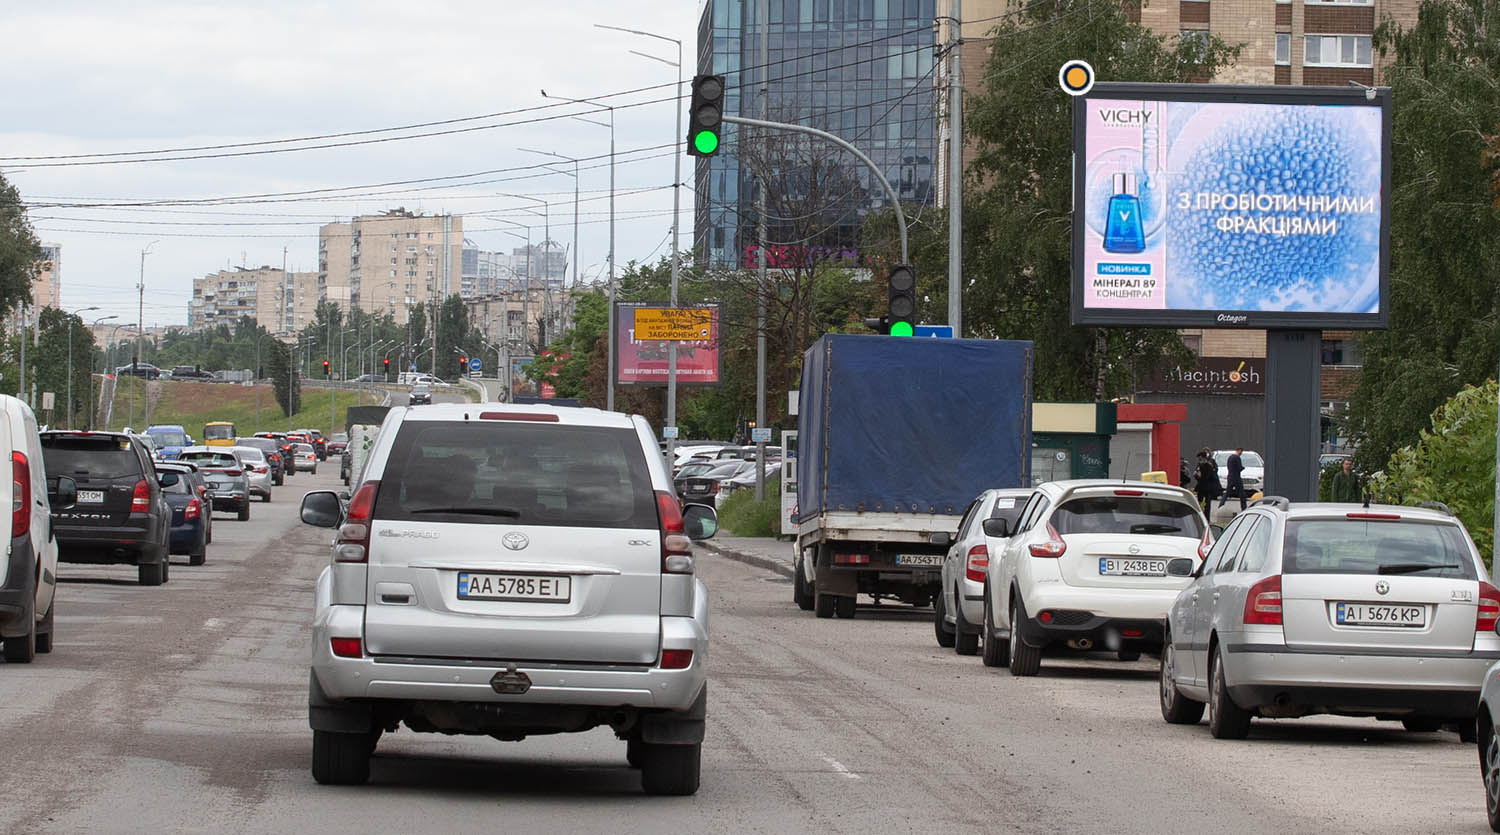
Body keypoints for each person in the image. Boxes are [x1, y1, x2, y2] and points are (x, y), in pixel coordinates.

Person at [1219, 447, 1247, 511]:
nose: (1241, 453)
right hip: (1236, 477)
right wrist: (1243, 468)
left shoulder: (1230, 457)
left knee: (1227, 492)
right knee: (1241, 493)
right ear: (1238, 450)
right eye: (1241, 452)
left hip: (1230, 476)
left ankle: (1221, 503)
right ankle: (1244, 507)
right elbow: (1239, 468)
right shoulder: (1237, 458)